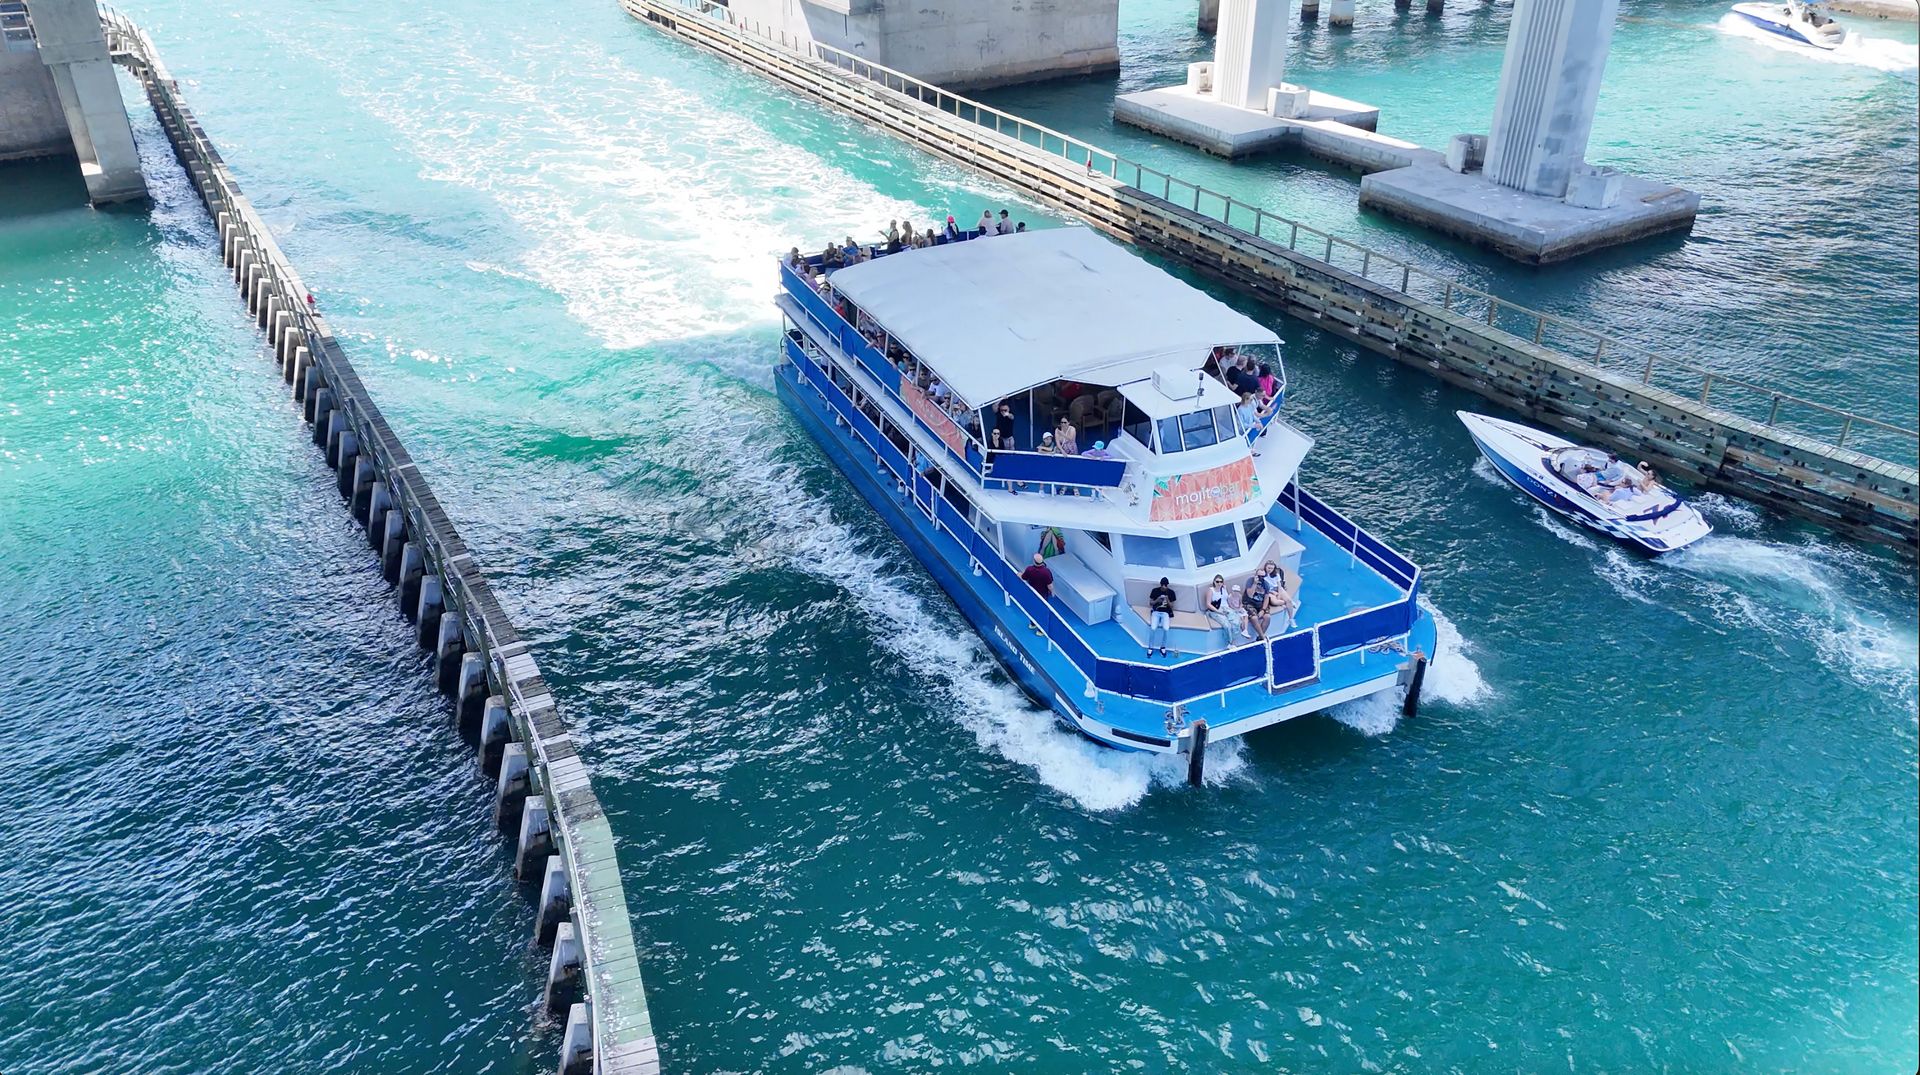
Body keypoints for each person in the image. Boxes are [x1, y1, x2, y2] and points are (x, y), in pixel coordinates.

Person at [1205, 575, 1245, 643]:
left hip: (1226, 608)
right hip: (1215, 610)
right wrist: (1218, 611)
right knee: (1226, 625)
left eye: (1221, 582)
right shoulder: (1211, 590)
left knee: (1236, 621)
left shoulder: (1223, 589)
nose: (1219, 583)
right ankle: (1230, 641)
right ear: (1214, 582)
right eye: (1217, 581)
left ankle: (1233, 640)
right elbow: (1208, 604)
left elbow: (1227, 599)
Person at [1146, 577, 1177, 658]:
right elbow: (1151, 603)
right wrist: (1157, 600)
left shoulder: (1171, 593)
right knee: (1153, 628)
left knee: (1166, 628)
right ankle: (1150, 647)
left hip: (1165, 613)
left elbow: (1172, 606)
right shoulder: (1155, 591)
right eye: (1163, 585)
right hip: (1156, 612)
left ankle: (1163, 647)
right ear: (1160, 584)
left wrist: (1167, 600)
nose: (1164, 587)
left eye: (1166, 585)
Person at [1241, 573, 1272, 641]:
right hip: (1249, 603)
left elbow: (1266, 598)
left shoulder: (1266, 584)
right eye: (1259, 576)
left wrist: (1263, 610)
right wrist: (1255, 583)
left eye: (1263, 576)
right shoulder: (1250, 581)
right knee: (1254, 618)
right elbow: (1250, 595)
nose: (1261, 578)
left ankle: (1260, 637)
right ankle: (1263, 637)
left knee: (1267, 617)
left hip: (1260, 604)